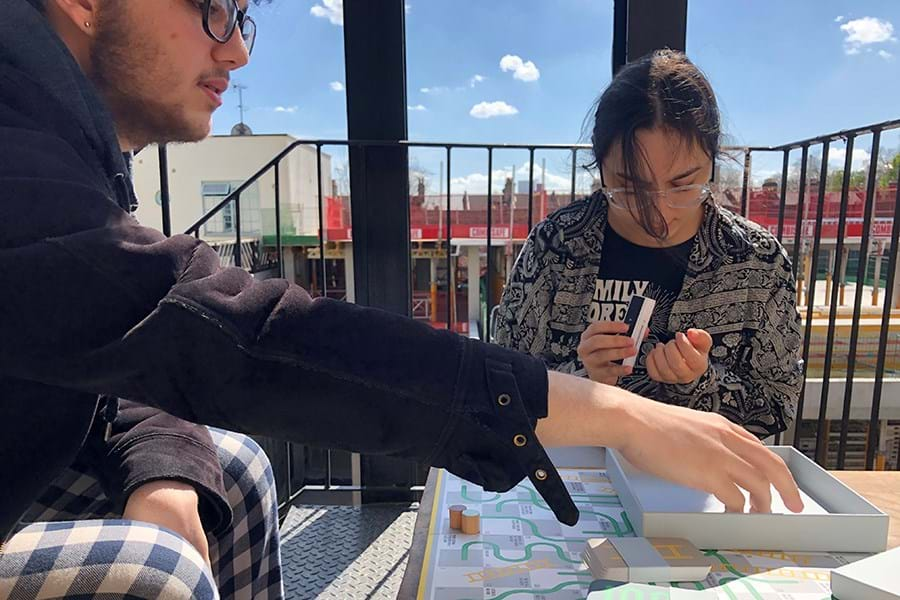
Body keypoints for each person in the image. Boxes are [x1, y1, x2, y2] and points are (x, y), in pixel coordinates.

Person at [0, 2, 802, 598]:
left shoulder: (57, 136)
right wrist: (618, 405)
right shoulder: (17, 146)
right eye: (211, 8)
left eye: (242, 15)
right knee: (154, 570)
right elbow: (224, 332)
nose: (238, 49)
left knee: (224, 467)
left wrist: (158, 468)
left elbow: (114, 343)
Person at [495, 50, 803, 439]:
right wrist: (582, 379)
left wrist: (700, 381)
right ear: (600, 166)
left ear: (713, 158)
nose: (658, 213)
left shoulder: (756, 261)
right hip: (576, 476)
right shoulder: (558, 245)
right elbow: (502, 387)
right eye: (630, 187)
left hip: (699, 490)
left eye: (683, 183)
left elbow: (778, 404)